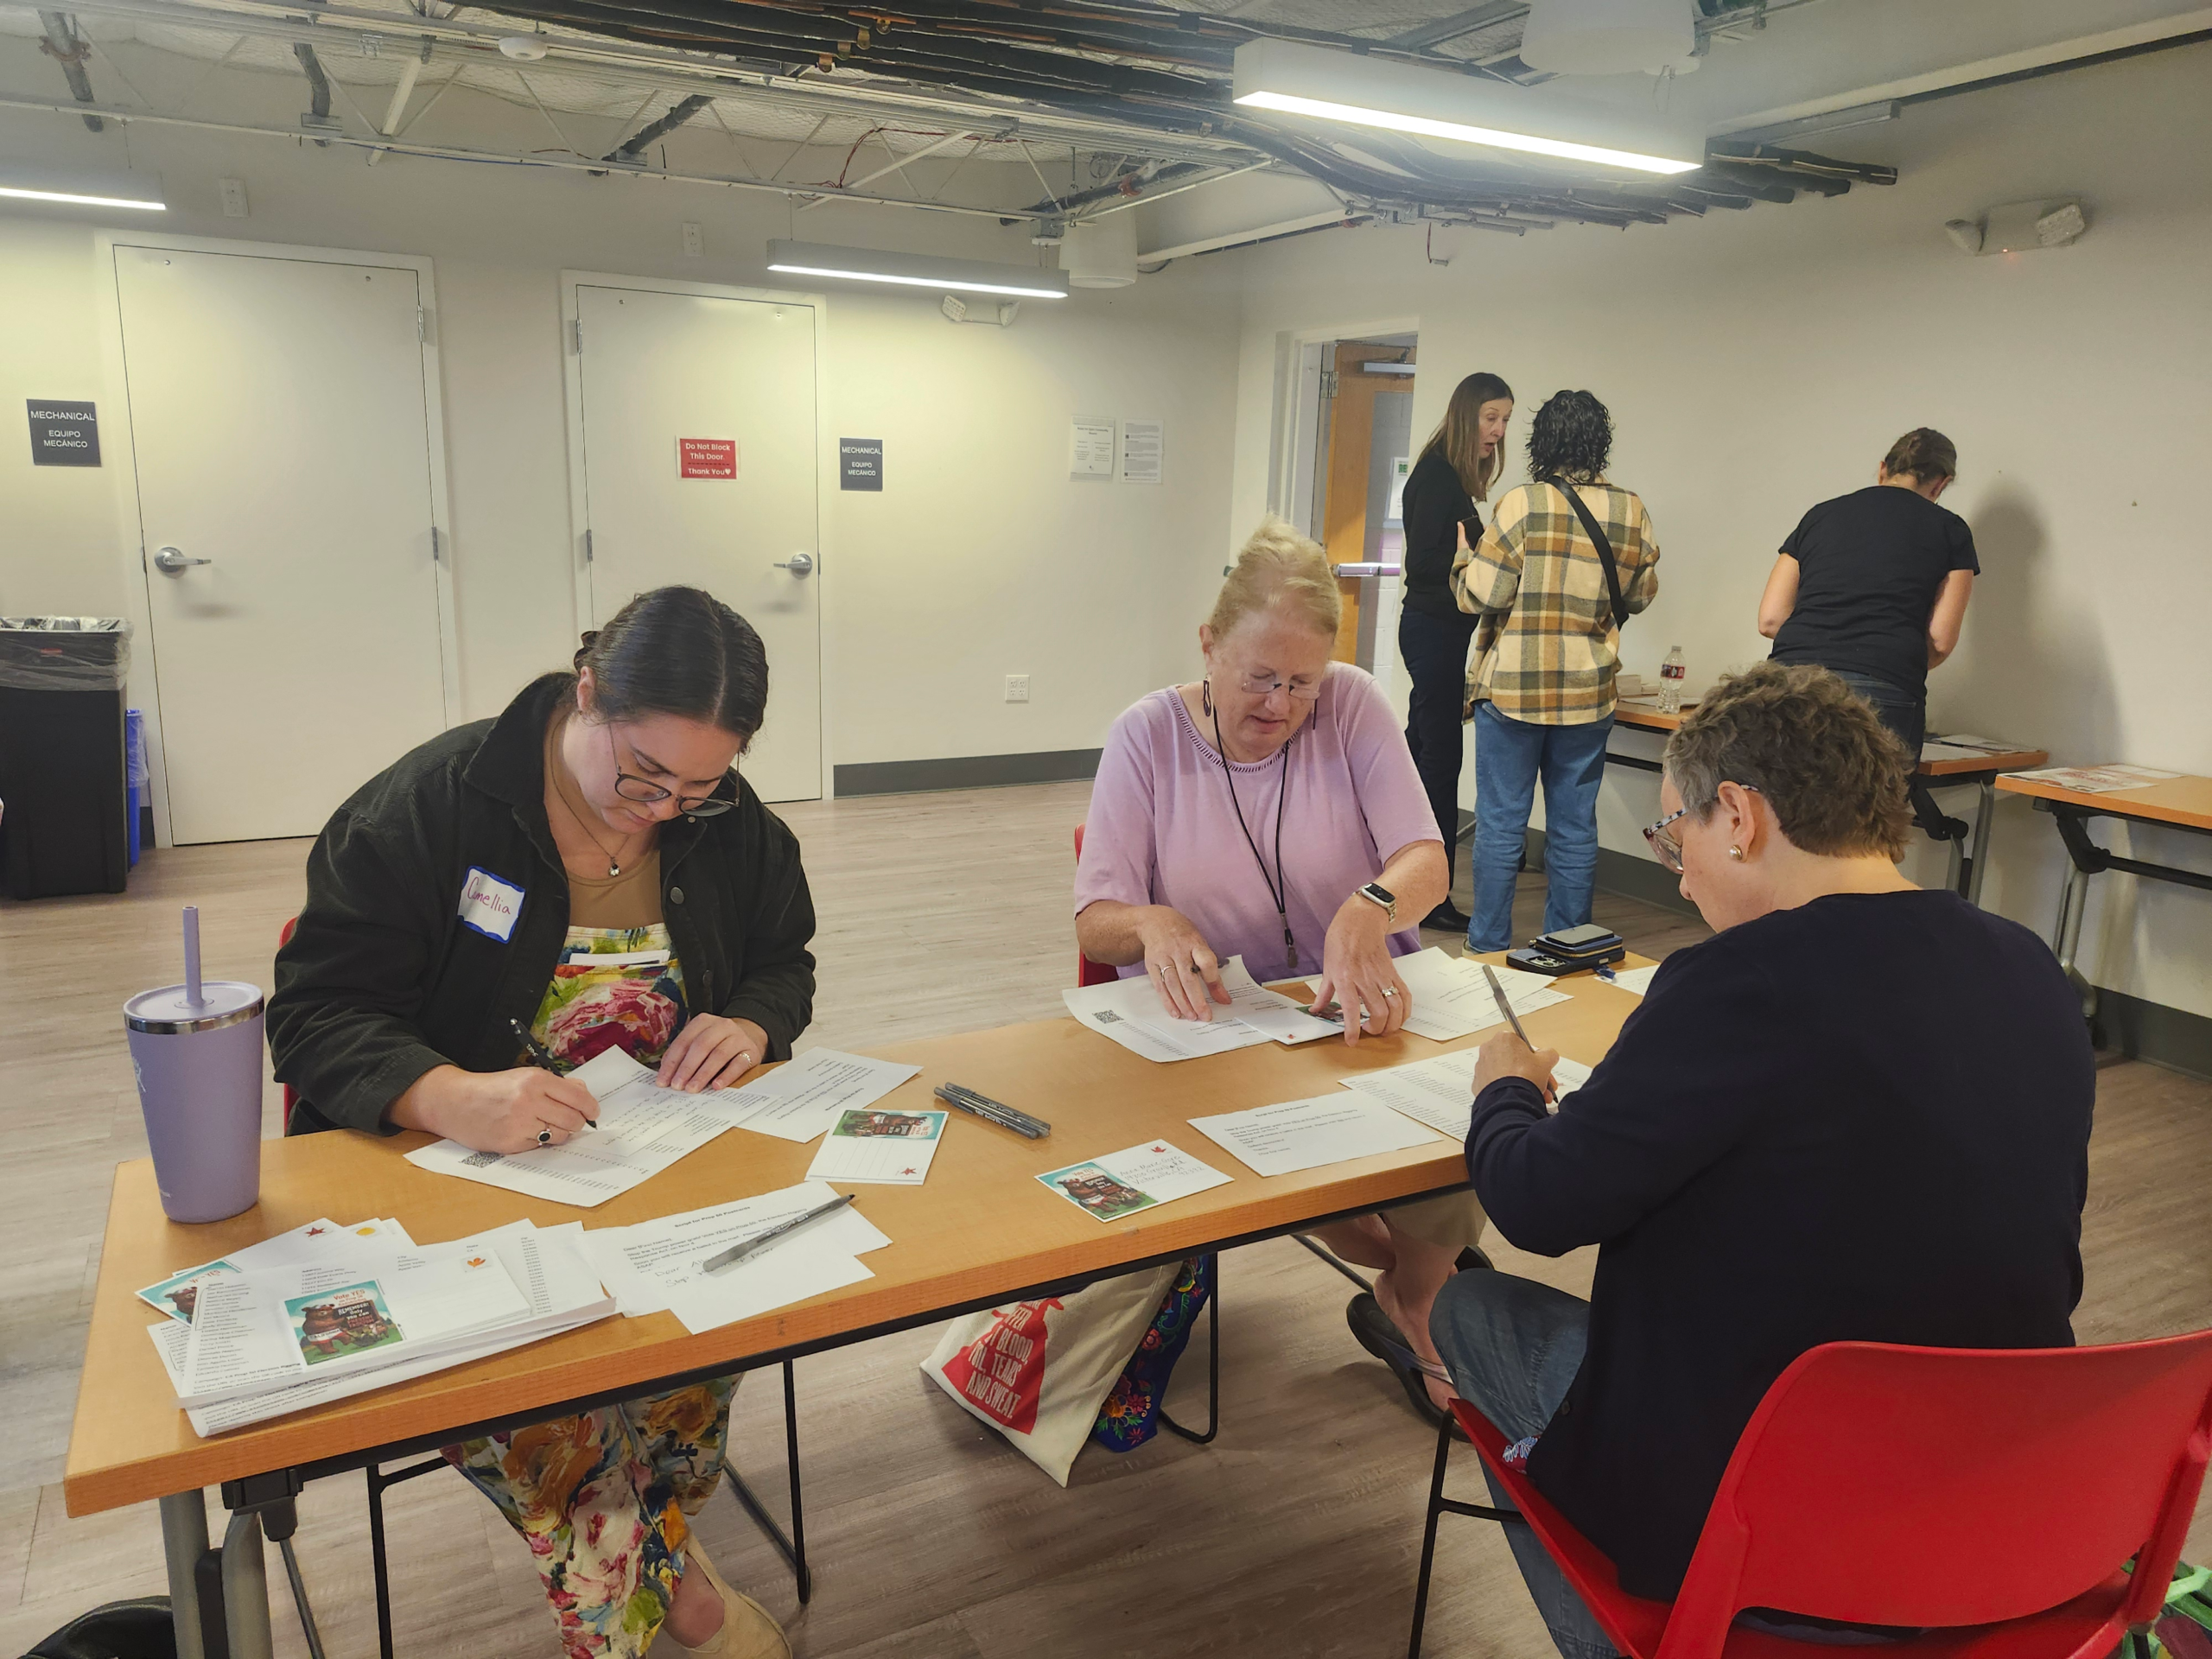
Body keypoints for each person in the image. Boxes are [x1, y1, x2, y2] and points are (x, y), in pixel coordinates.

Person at [1430, 663, 2092, 1659]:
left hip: (1778, 1526)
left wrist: (1505, 1090)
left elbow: (1537, 1200)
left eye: (1675, 833)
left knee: (1465, 1309)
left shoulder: (1735, 984)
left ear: (1736, 815)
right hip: (1992, 1501)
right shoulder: (2032, 968)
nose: (1678, 870)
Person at [269, 586, 814, 1659]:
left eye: (699, 784)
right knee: (553, 1408)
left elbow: (782, 962)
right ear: (586, 693)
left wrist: (752, 1021)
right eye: (642, 774)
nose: (661, 808)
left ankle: (655, 1546)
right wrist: (444, 1093)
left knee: (700, 1350)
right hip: (454, 1192)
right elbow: (314, 1013)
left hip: (652, 1169)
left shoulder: (731, 824)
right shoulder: (430, 809)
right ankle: (684, 1605)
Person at [1076, 516, 1481, 1431]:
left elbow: (1426, 856)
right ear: (1209, 645)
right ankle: (1418, 1271)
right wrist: (1151, 920)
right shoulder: (1145, 738)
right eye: (1259, 677)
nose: (1281, 705)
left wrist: (1370, 907)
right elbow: (1097, 923)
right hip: (1232, 1025)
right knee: (1294, 1157)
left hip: (1362, 1007)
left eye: (1302, 683)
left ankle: (1417, 1290)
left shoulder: (1355, 704)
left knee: (1474, 1117)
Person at [1453, 390, 1659, 954]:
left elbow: (1482, 595)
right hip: (1589, 694)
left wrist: (1461, 559)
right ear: (1601, 442)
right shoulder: (1631, 509)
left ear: (1541, 441)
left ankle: (1488, 946)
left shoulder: (1522, 504)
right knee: (1573, 827)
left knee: (1500, 825)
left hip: (1516, 691)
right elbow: (1640, 596)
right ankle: (1570, 947)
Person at [1759, 426, 1976, 758]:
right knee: (1867, 807)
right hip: (1882, 687)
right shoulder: (1951, 529)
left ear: (1883, 469)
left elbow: (1771, 620)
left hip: (1788, 682)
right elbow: (1942, 641)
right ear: (1941, 483)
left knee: (1770, 800)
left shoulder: (1820, 515)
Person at [1398, 372, 1514, 933]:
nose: (1497, 430)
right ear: (1467, 415)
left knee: (1419, 758)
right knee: (1440, 766)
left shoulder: (1450, 479)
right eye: (1491, 417)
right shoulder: (1439, 479)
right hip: (1432, 632)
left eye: (1505, 420)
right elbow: (1419, 566)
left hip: (1440, 633)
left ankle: (1403, 881)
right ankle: (1431, 895)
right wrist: (1467, 558)